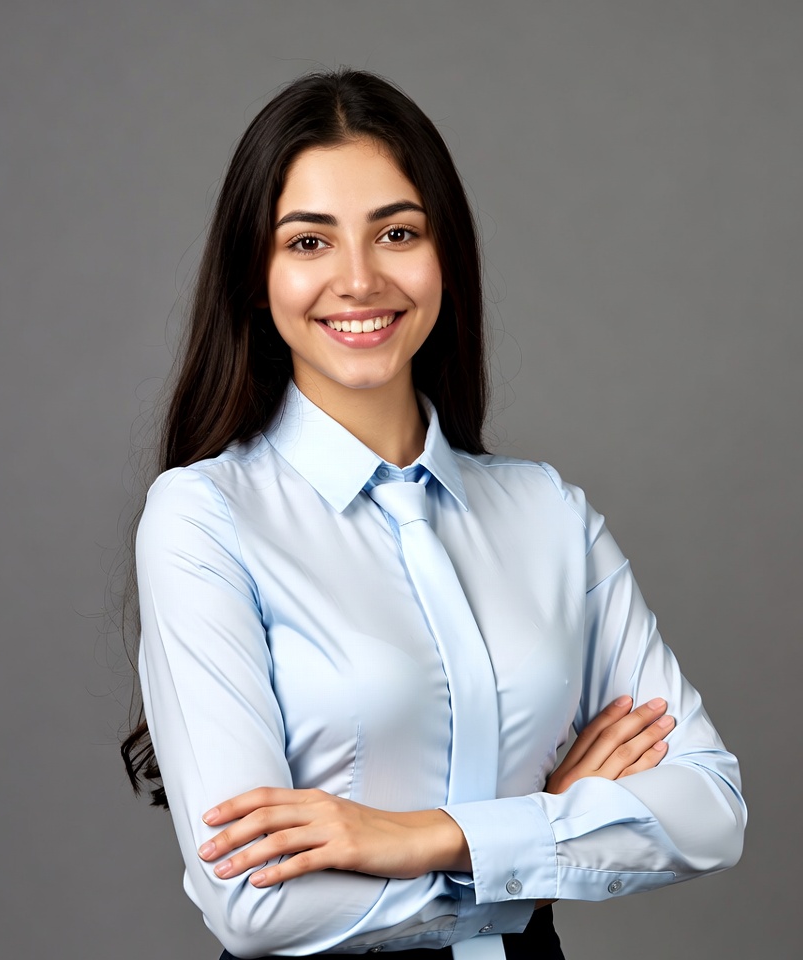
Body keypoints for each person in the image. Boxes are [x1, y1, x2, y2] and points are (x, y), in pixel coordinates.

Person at [122, 69, 745, 960]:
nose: (359, 278)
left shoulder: (546, 512)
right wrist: (537, 841)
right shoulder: (204, 519)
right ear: (256, 280)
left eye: (398, 233)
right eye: (308, 242)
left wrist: (426, 835)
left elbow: (711, 809)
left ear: (444, 254)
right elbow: (252, 906)